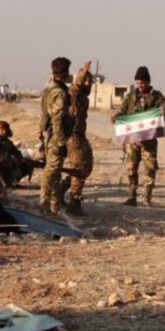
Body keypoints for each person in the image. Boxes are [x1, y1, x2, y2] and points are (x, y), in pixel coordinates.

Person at [114, 66, 165, 206]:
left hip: (149, 140)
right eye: (138, 83)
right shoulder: (131, 96)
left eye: (143, 83)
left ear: (148, 81)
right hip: (132, 141)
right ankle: (132, 196)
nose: (140, 86)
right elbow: (122, 112)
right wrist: (116, 117)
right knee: (131, 168)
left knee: (150, 169)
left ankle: (146, 198)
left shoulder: (157, 96)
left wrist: (163, 112)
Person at [39, 57, 74, 215]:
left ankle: (54, 209)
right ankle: (44, 207)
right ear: (65, 72)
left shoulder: (49, 90)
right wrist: (61, 143)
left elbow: (43, 117)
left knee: (55, 173)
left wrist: (41, 139)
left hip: (49, 137)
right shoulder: (59, 92)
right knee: (51, 172)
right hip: (55, 138)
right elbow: (57, 119)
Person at [63, 61, 94, 216]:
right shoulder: (74, 94)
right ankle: (74, 203)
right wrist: (83, 72)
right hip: (72, 136)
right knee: (79, 168)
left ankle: (60, 189)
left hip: (80, 135)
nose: (89, 84)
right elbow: (74, 86)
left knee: (87, 166)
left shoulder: (84, 99)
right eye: (87, 81)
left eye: (91, 81)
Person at [0, 121, 38, 187]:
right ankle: (4, 182)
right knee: (6, 163)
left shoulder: (7, 141)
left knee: (27, 163)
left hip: (5, 162)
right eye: (2, 130)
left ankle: (13, 181)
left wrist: (21, 160)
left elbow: (17, 153)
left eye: (6, 129)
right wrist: (13, 160)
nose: (4, 131)